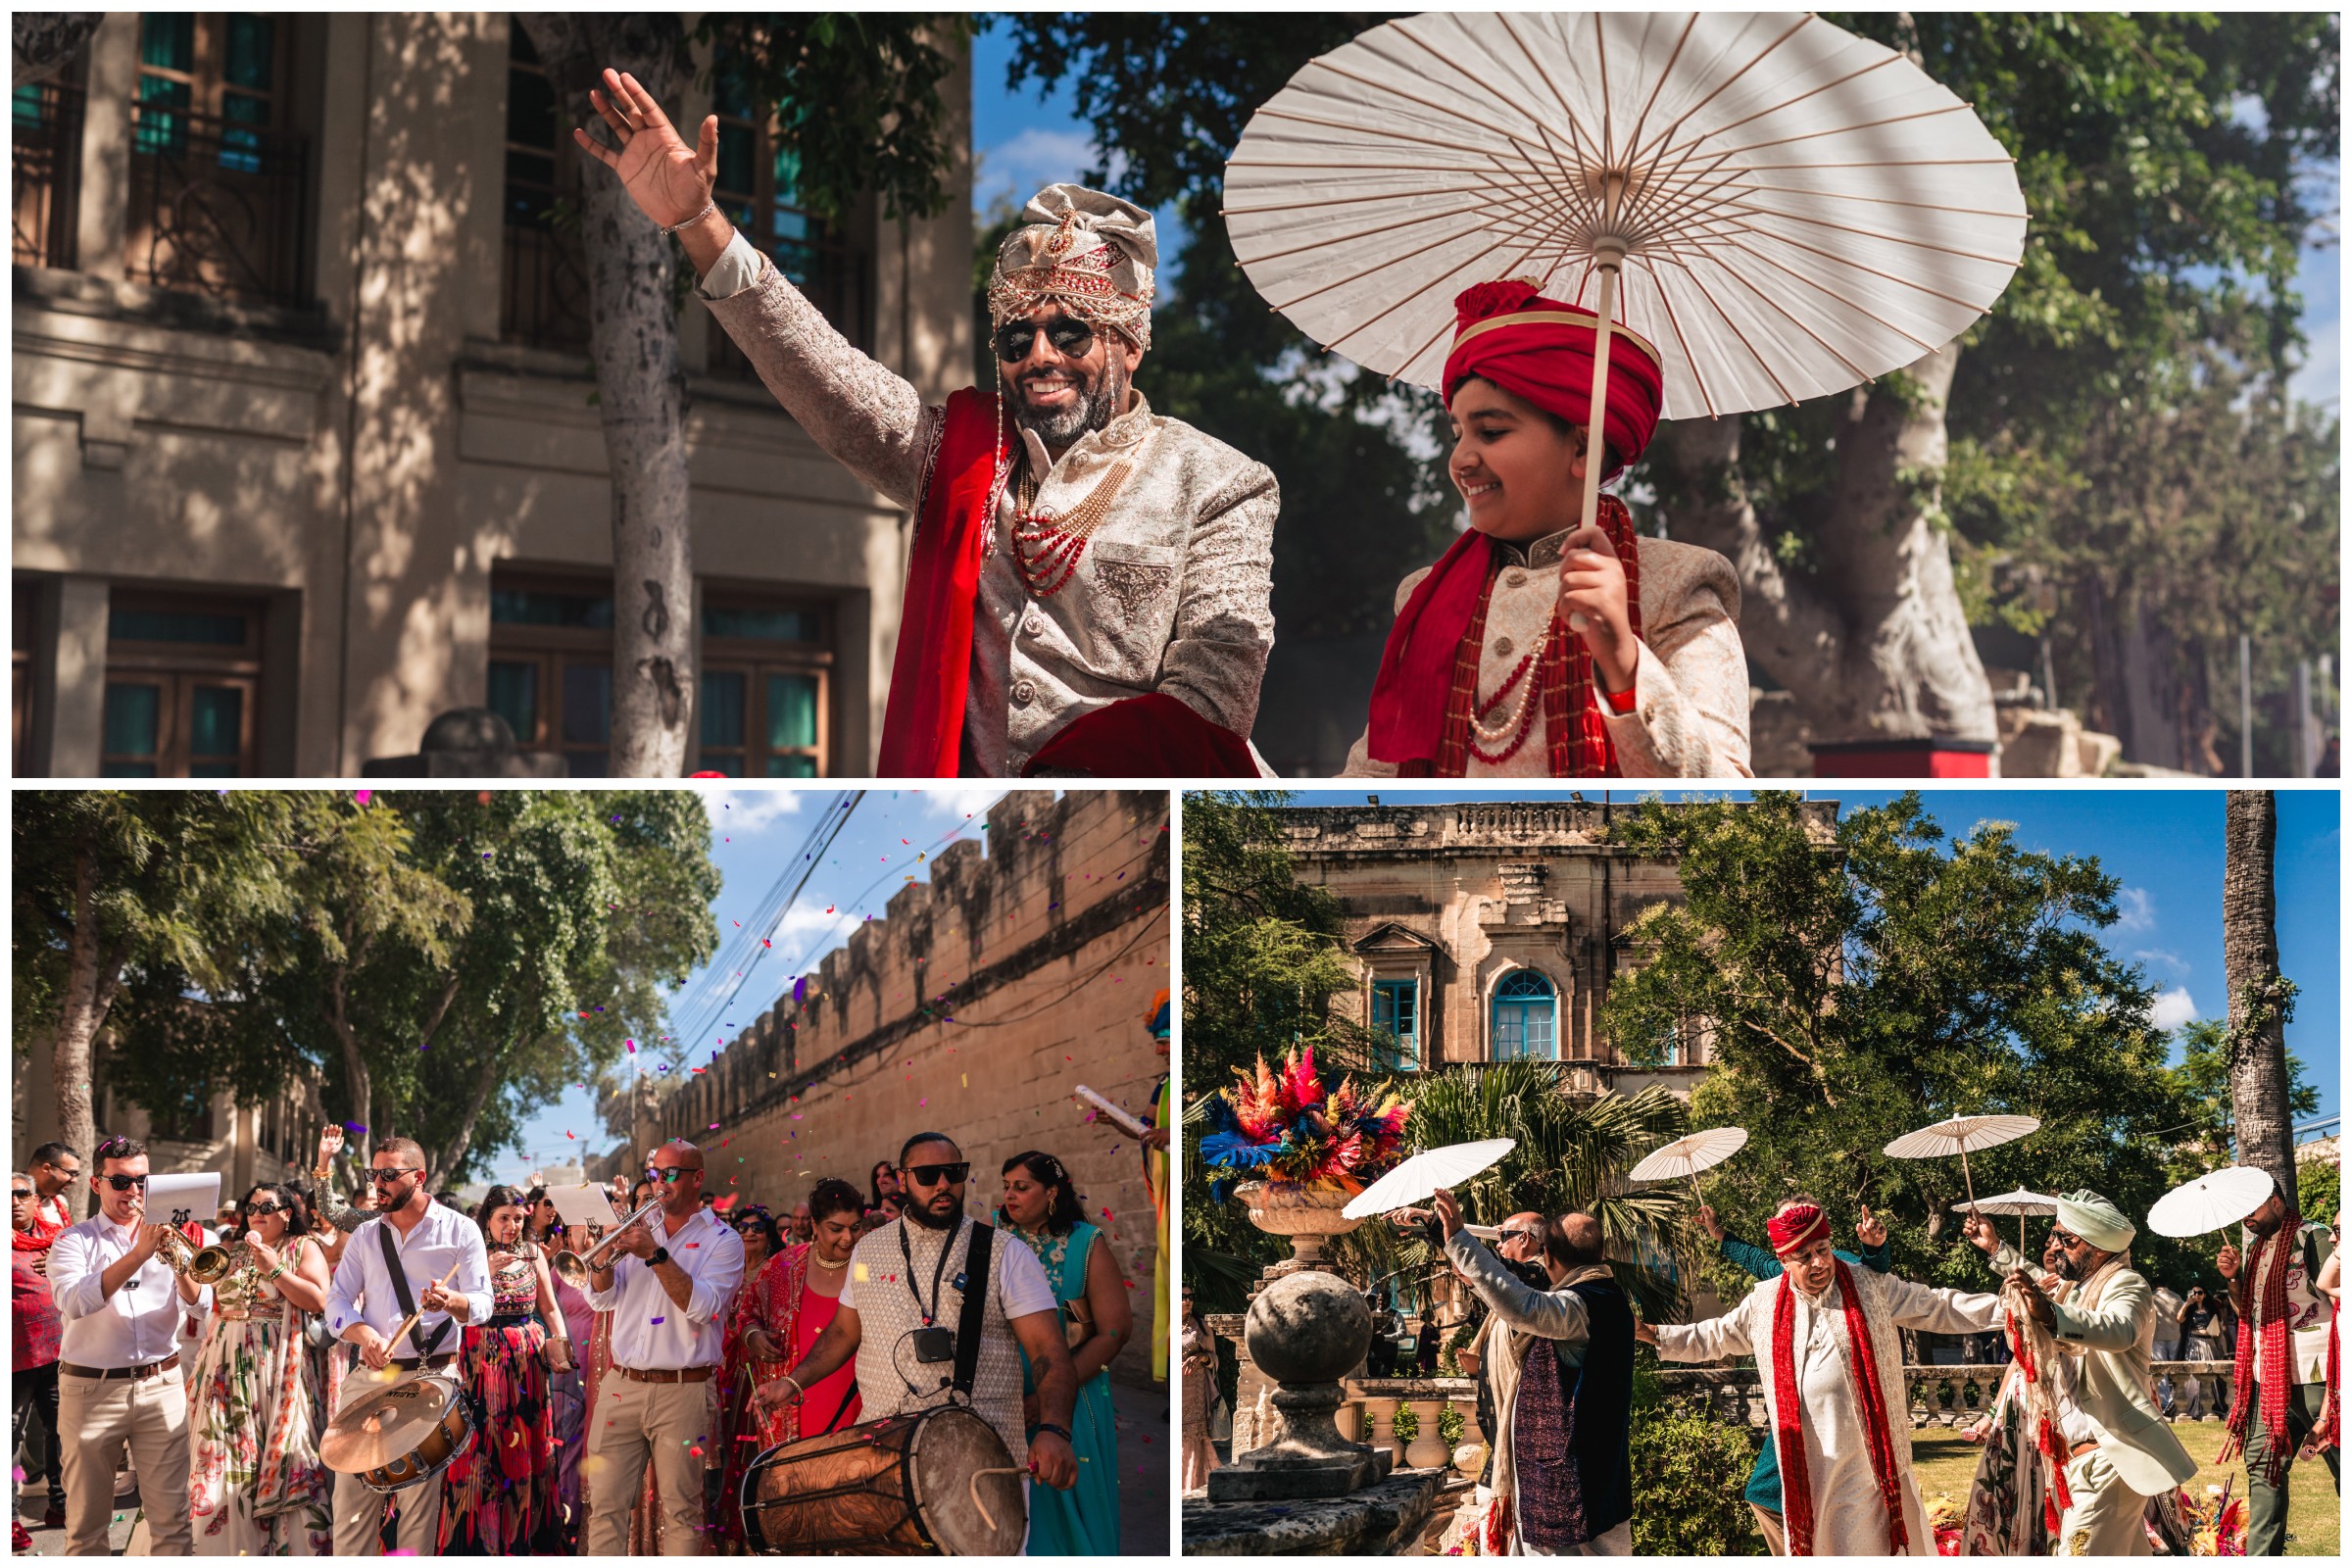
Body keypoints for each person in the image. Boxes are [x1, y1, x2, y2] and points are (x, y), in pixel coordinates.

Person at [571, 69, 1279, 778]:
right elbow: (829, 377)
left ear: (1129, 343)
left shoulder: (1221, 483)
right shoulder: (966, 454)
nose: (1038, 358)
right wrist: (702, 227)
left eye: (1070, 335)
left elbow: (1211, 708)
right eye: (1015, 339)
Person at [1346, 280, 1749, 778]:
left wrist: (1623, 659)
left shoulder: (1677, 580)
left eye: (1491, 432)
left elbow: (1730, 803)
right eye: (1457, 434)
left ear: (1583, 448)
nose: (1461, 459)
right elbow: (1375, 779)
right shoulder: (1423, 596)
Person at [754, 1133, 1081, 1545]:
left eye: (954, 1172)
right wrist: (793, 1382)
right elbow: (842, 1330)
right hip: (879, 1457)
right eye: (929, 1175)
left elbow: (1048, 1351)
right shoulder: (867, 1252)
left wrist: (1055, 1429)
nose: (943, 1183)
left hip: (983, 1462)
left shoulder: (1006, 1253)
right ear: (903, 1180)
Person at [1641, 1200, 2003, 1555]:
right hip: (1808, 1476)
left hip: (1870, 1472)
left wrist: (2007, 1307)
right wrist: (1655, 1334)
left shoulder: (1868, 1285)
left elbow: (1938, 1305)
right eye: (1804, 1256)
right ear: (1783, 1261)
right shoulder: (1765, 1302)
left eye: (1823, 1249)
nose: (1819, 1263)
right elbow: (1714, 1336)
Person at [1961, 1193, 2197, 1557]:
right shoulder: (2075, 1287)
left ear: (2098, 1248)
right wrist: (1994, 1247)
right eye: (2056, 1236)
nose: (2056, 1248)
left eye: (2067, 1241)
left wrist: (2052, 1315)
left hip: (2111, 1459)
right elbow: (2037, 1281)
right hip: (2080, 1463)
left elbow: (2118, 1328)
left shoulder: (2127, 1285)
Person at [1434, 1188, 1634, 1555]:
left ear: (1549, 1255)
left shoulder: (1581, 1304)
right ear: (1599, 1254)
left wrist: (1459, 1239)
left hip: (1572, 1484)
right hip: (1593, 1476)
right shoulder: (1609, 1296)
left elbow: (1523, 1306)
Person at [322, 1136, 493, 1556]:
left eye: (388, 1175)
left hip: (432, 1377)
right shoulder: (365, 1235)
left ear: (418, 1178)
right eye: (373, 1174)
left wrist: (452, 1301)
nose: (377, 1183)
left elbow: (484, 1304)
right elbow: (337, 1300)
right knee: (352, 1503)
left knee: (418, 1505)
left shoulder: (460, 1229)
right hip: (372, 1376)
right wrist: (364, 1334)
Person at [1694, 1200, 1892, 1554]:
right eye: (1789, 1220)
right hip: (1796, 1412)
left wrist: (1874, 1248)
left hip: (1847, 1417)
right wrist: (1718, 1232)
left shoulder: (1838, 1265)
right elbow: (1753, 1259)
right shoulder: (1782, 1278)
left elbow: (1874, 1278)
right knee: (1767, 1495)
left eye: (1819, 1247)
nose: (1816, 1261)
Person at [581, 1139, 746, 1555]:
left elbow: (704, 1307)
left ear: (697, 1178)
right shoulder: (641, 1228)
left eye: (671, 1174)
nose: (660, 1183)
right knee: (605, 1507)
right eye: (655, 1173)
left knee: (682, 1512)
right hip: (621, 1386)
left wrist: (655, 1255)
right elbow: (602, 1298)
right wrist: (599, 1257)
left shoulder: (723, 1240)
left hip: (682, 1389)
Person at [48, 1135, 207, 1555]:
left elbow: (202, 1307)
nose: (133, 1192)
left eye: (142, 1182)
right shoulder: (73, 1240)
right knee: (86, 1529)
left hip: (162, 1386)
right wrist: (139, 1254)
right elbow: (75, 1302)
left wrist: (177, 1259)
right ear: (98, 1184)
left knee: (173, 1522)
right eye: (121, 1183)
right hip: (91, 1390)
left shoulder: (174, 1234)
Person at [177, 1181, 334, 1555]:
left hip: (275, 1366)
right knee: (217, 1447)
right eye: (251, 1208)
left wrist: (276, 1268)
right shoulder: (232, 1249)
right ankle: (219, 1546)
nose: (257, 1214)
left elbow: (319, 1301)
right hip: (223, 1364)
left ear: (287, 1212)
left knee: (282, 1452)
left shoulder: (303, 1246)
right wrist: (177, 1263)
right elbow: (201, 1299)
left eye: (267, 1207)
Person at [717, 1181, 864, 1549]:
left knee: (851, 1513)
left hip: (857, 1407)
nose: (847, 1239)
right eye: (836, 1229)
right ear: (814, 1224)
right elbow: (746, 1311)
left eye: (855, 1227)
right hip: (791, 1408)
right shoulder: (784, 1266)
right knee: (796, 1515)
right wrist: (752, 1336)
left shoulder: (870, 1266)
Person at [1000, 1152, 1130, 1554]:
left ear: (1052, 1192)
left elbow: (1114, 1331)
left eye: (1021, 1187)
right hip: (1003, 1392)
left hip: (1073, 1392)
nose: (1009, 1196)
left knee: (1064, 1506)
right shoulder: (994, 1237)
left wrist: (1048, 1398)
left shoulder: (1085, 1243)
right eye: (1006, 1186)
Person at [436, 1186, 567, 1553]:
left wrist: (560, 1341)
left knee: (524, 1443)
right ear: (488, 1220)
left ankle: (521, 1535)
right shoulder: (470, 1252)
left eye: (518, 1219)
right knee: (478, 1446)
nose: (511, 1226)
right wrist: (480, 1274)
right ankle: (475, 1541)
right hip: (479, 1359)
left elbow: (551, 1307)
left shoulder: (533, 1254)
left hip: (525, 1359)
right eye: (503, 1219)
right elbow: (453, 1306)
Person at [2215, 1174, 2339, 1555]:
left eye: (2248, 1208)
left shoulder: (2314, 1236)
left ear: (2274, 1201)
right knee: (2263, 1468)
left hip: (2318, 1374)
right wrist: (2234, 1279)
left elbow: (2339, 1297)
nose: (2243, 1218)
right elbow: (2247, 1312)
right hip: (2268, 1379)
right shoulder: (2253, 1250)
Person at [1954, 1231, 2067, 1557]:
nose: (2051, 1250)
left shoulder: (2072, 1295)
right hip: (2021, 1400)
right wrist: (1992, 1416)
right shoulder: (2033, 1292)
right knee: (2016, 1485)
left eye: (2059, 1245)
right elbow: (2019, 1360)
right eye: (2046, 1245)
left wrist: (1994, 1246)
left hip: (2059, 1399)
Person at [13, 1172, 67, 1535]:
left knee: (61, 1431)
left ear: (35, 1199)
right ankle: (10, 1518)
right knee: (10, 1439)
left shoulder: (58, 1241)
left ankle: (61, 1506)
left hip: (59, 1354)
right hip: (13, 1361)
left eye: (21, 1194)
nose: (14, 1201)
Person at [1180, 1287, 1219, 1494]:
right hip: (1176, 1388)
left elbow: (1214, 1358)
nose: (1188, 1301)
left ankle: (1193, 1484)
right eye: (1183, 1297)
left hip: (1195, 1391)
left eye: (1191, 1297)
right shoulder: (1167, 1324)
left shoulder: (1202, 1327)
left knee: (1192, 1437)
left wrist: (1200, 1358)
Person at [29, 1142, 81, 1233]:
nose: (74, 1180)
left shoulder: (61, 1203)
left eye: (76, 1175)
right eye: (71, 1173)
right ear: (46, 1168)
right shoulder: (12, 1198)